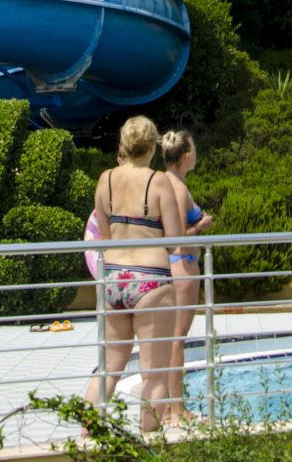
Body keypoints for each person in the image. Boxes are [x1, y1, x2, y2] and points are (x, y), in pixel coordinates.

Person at [84, 116, 185, 433]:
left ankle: (86, 435)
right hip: (151, 280)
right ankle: (150, 443)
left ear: (124, 144)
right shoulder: (159, 182)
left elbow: (104, 232)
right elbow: (174, 241)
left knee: (110, 369)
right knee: (153, 375)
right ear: (153, 146)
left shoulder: (106, 179)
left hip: (114, 279)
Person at [159, 130, 211, 426]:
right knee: (177, 340)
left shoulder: (164, 181)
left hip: (175, 265)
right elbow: (177, 235)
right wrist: (202, 225)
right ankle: (176, 410)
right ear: (187, 155)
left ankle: (170, 407)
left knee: (171, 340)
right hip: (183, 265)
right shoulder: (177, 187)